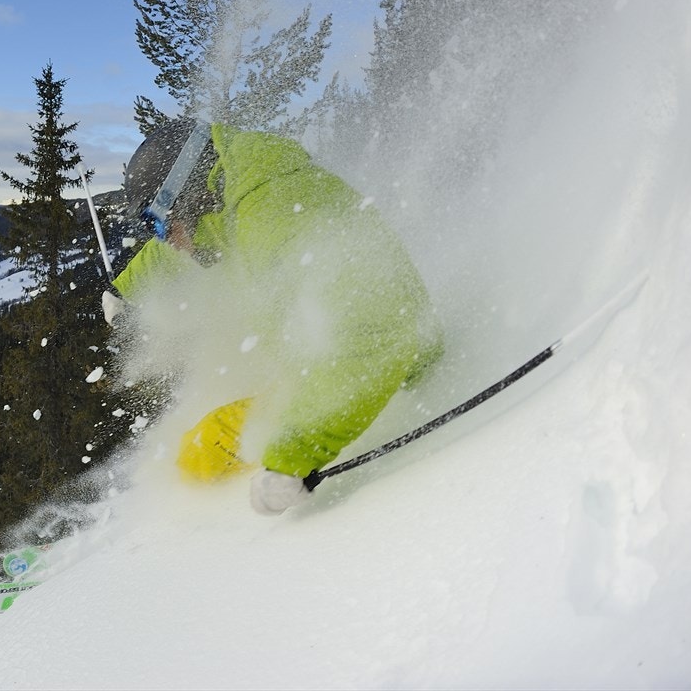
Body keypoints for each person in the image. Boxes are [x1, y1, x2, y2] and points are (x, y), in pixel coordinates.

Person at [103, 117, 442, 515]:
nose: (165, 240)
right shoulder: (236, 192)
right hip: (339, 370)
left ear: (189, 194)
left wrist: (292, 457)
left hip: (392, 379)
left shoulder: (271, 210)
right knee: (199, 451)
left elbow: (375, 330)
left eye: (156, 223)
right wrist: (126, 288)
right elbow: (185, 245)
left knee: (201, 454)